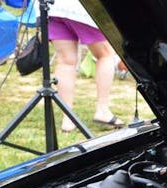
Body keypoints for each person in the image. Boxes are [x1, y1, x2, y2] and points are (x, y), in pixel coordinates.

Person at [46, 0, 123, 131]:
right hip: (80, 9)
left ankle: (68, 119)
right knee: (105, 55)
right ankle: (102, 110)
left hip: (52, 8)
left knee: (65, 61)